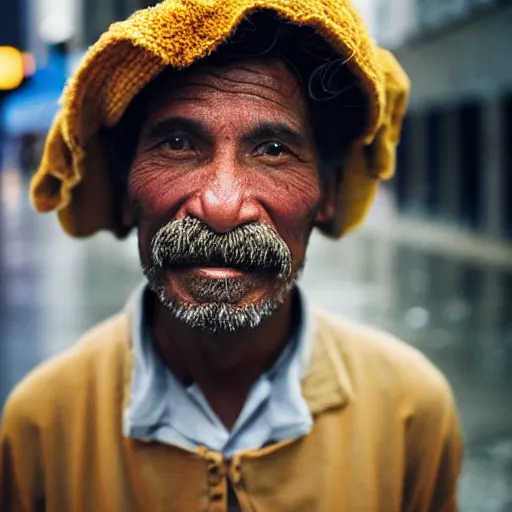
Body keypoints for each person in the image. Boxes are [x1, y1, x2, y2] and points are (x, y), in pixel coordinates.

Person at [0, 1, 463, 511]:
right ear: (125, 188)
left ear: (327, 193)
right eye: (178, 143)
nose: (221, 206)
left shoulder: (411, 413)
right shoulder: (42, 426)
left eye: (272, 150)